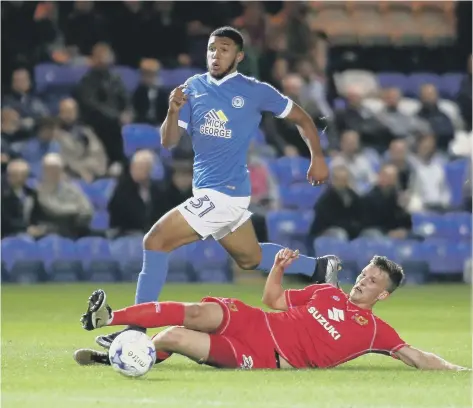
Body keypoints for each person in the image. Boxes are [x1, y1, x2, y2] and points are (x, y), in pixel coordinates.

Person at [94, 26, 329, 349]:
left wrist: (316, 158)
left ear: (239, 55)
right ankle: (318, 267)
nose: (216, 55)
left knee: (155, 240)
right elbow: (168, 142)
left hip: (225, 192)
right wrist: (173, 110)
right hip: (209, 192)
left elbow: (302, 118)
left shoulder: (255, 90)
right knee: (251, 257)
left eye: (224, 49)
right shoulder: (193, 88)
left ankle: (135, 327)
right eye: (211, 49)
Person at [75, 248, 469, 372]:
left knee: (172, 337)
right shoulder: (325, 292)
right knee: (193, 312)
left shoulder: (374, 331)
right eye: (364, 274)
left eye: (372, 282)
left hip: (265, 354)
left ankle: (115, 358)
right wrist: (278, 269)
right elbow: (274, 301)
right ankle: (111, 318)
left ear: (382, 295)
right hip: (256, 320)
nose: (363, 281)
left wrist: (456, 371)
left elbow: (415, 356)